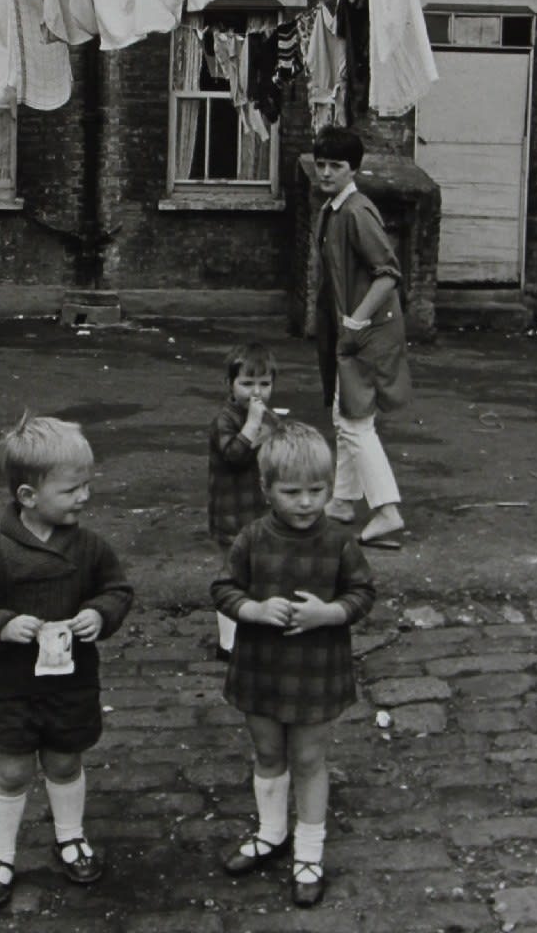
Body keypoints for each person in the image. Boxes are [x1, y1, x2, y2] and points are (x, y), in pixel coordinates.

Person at [0, 415, 133, 910]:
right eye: (71, 490)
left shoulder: (90, 548)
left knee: (65, 760)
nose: (84, 497)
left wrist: (100, 613)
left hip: (72, 682)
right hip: (11, 686)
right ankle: (0, 855)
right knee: (10, 770)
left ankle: (70, 836)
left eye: (86, 485)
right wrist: (1, 625)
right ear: (28, 496)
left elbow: (117, 590)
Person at [212, 421, 375, 907]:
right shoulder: (251, 538)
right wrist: (253, 609)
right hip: (261, 665)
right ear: (266, 489)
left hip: (315, 669)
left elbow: (363, 593)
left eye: (316, 491)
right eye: (292, 492)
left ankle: (309, 850)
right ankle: (272, 832)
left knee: (308, 758)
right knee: (267, 753)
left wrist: (331, 613)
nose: (305, 502)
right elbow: (223, 588)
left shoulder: (339, 541)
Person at [312, 126, 411, 547]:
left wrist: (355, 321)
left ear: (353, 169)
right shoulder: (333, 209)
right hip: (352, 330)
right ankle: (342, 501)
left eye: (336, 166)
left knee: (355, 422)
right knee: (345, 416)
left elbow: (388, 274)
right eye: (321, 164)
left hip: (368, 331)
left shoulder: (356, 212)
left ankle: (387, 511)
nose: (326, 173)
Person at [208, 342, 278, 660]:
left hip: (260, 510)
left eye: (264, 384)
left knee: (260, 570)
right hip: (231, 511)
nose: (257, 392)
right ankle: (228, 643)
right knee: (232, 574)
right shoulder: (225, 420)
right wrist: (251, 426)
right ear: (230, 384)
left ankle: (257, 629)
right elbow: (234, 455)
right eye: (247, 383)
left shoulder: (268, 417)